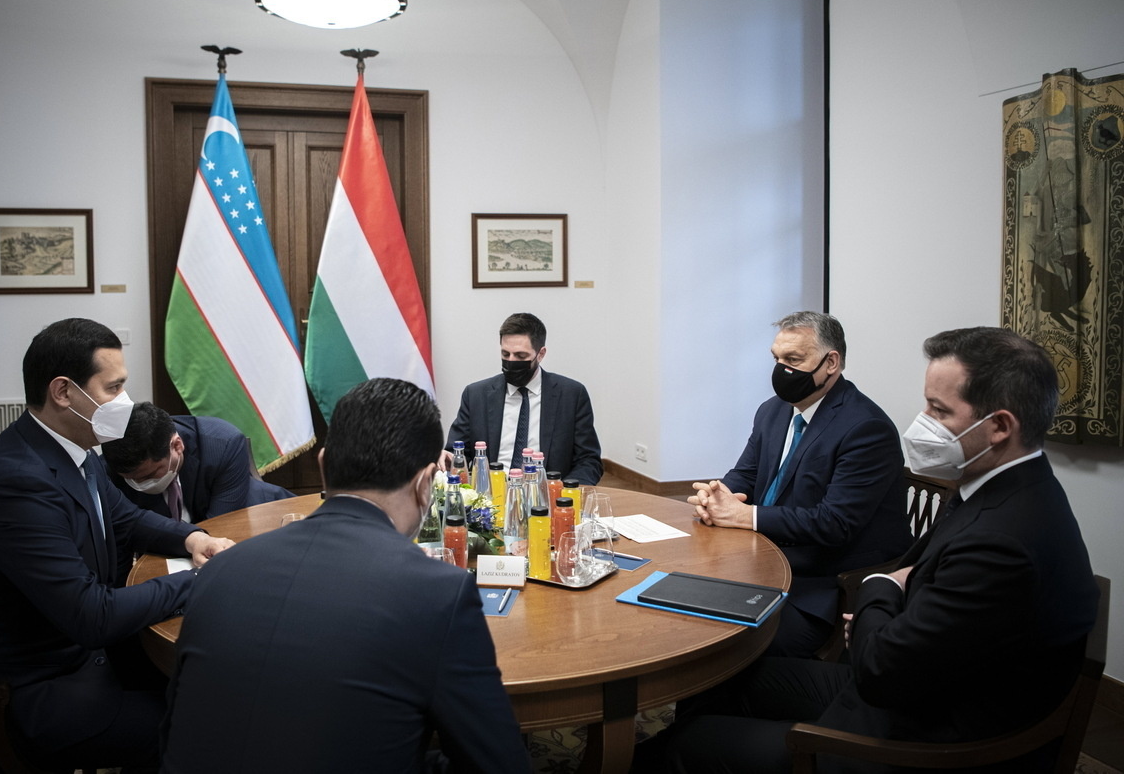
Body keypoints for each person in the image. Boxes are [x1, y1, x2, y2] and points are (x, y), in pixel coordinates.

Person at [643, 326, 1099, 773]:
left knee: (686, 741)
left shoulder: (1004, 540)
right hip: (908, 686)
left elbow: (881, 667)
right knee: (719, 681)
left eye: (938, 410)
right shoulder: (999, 487)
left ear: (999, 426)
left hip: (912, 733)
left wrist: (878, 592)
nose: (922, 423)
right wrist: (890, 600)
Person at [0, 318, 233, 772]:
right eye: (113, 387)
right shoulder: (18, 482)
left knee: (195, 686)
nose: (125, 401)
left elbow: (125, 517)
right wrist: (200, 581)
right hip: (11, 693)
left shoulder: (74, 448)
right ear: (63, 392)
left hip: (63, 653)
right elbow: (92, 616)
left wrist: (193, 536)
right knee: (194, 726)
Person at [161, 378, 530, 773]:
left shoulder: (220, 570)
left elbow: (173, 731)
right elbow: (498, 763)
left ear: (323, 465)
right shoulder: (438, 592)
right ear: (427, 484)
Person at [690, 311, 910, 657]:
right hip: (762, 560)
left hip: (823, 584)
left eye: (793, 360)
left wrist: (747, 516)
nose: (781, 370)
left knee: (726, 645)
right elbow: (746, 473)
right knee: (689, 614)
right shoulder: (773, 410)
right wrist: (719, 495)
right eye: (776, 359)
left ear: (831, 363)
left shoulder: (867, 428)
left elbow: (834, 523)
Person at [446, 311, 603, 485]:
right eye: (505, 355)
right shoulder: (476, 395)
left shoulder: (571, 395)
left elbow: (588, 460)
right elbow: (456, 451)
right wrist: (449, 459)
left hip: (548, 496)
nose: (511, 361)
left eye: (520, 356)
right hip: (490, 495)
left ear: (541, 354)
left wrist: (565, 494)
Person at [102, 401, 293, 524]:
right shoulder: (109, 466)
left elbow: (221, 527)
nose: (140, 484)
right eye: (131, 479)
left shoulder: (222, 445)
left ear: (177, 446)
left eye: (150, 476)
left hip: (254, 519)